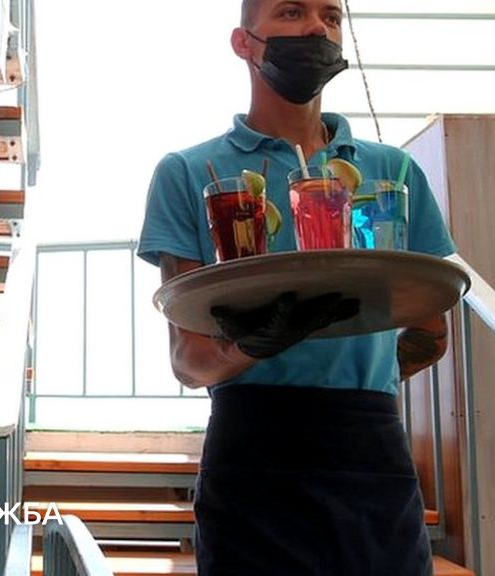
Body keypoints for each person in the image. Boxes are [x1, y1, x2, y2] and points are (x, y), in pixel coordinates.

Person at [137, 1, 455, 574]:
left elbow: (432, 332)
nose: (316, 28)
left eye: (331, 16)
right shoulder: (188, 173)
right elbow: (189, 361)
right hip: (252, 452)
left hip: (372, 450)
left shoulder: (394, 173)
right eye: (291, 12)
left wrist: (363, 372)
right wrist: (252, 347)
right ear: (243, 42)